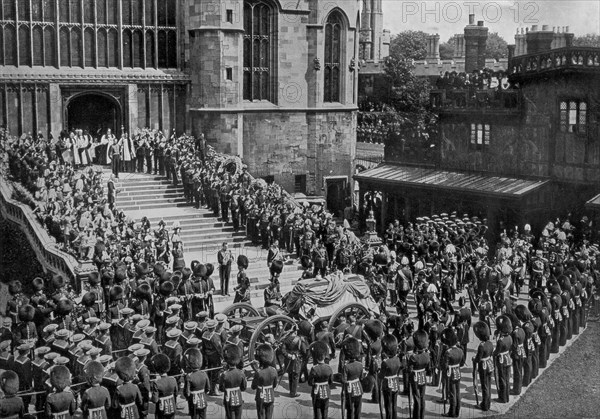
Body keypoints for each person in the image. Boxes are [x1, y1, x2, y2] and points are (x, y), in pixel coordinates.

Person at [219, 344, 247, 419]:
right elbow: (243, 388)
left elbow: (221, 388)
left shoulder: (224, 374)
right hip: (239, 398)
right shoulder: (241, 373)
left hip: (228, 399)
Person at [441, 328, 463, 418]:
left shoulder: (448, 352)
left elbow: (444, 366)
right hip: (457, 371)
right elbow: (462, 363)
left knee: (452, 393)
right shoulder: (460, 350)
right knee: (457, 392)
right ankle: (457, 411)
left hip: (450, 373)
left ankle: (452, 412)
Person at [251, 344, 278, 419]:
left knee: (261, 415)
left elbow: (253, 387)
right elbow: (275, 385)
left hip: (260, 396)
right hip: (271, 395)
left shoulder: (258, 372)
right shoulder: (274, 370)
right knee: (269, 416)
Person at [407, 330, 430, 419]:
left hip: (415, 377)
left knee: (416, 398)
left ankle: (416, 416)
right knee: (422, 397)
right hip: (423, 376)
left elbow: (409, 369)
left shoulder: (413, 357)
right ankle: (422, 416)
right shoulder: (426, 355)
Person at [308, 341, 333, 419]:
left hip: (316, 392)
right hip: (326, 391)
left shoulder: (314, 368)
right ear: (324, 356)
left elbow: (310, 382)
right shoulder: (329, 368)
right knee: (325, 411)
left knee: (317, 411)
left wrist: (315, 384)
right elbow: (331, 381)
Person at [340, 337, 364, 419]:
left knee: (350, 409)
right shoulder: (360, 365)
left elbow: (344, 380)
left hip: (350, 390)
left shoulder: (346, 366)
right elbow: (361, 377)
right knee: (358, 408)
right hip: (359, 388)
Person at [183, 348, 210, 419]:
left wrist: (187, 398)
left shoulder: (189, 376)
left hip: (193, 401)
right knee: (203, 416)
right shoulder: (204, 373)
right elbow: (208, 388)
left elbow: (187, 392)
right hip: (203, 399)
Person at [473, 321, 494, 411]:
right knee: (488, 385)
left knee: (484, 386)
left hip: (484, 366)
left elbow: (478, 359)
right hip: (489, 364)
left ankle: (485, 405)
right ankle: (487, 402)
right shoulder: (490, 343)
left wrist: (474, 359)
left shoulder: (481, 346)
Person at [380, 334, 401, 419]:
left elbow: (381, 375)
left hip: (387, 385)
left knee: (388, 405)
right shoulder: (397, 359)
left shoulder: (385, 362)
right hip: (395, 382)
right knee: (394, 404)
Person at [151, 354, 178, 419]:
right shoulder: (173, 379)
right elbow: (176, 393)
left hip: (161, 409)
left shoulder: (156, 382)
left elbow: (155, 400)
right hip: (172, 406)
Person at [494, 315, 513, 403]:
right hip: (507, 358)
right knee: (507, 378)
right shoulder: (509, 337)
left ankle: (502, 398)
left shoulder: (500, 340)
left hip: (501, 359)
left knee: (502, 379)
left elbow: (496, 352)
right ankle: (507, 397)